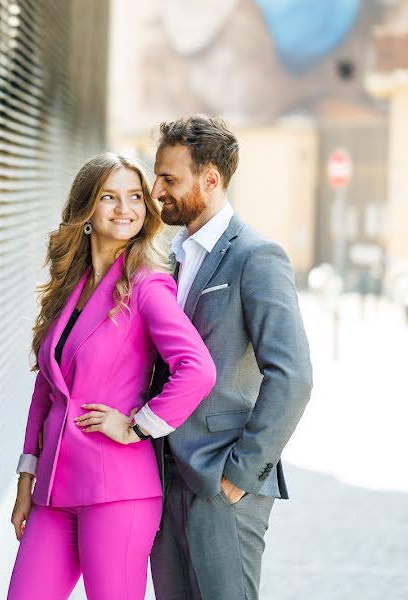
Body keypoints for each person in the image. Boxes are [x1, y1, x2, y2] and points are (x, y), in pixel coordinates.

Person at [7, 153, 216, 600]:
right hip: (53, 495)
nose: (125, 208)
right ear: (87, 210)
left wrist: (138, 425)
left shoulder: (147, 285)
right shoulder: (70, 286)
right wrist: (27, 479)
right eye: (109, 197)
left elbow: (197, 369)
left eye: (135, 197)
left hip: (118, 493)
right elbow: (46, 389)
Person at [147, 115, 313, 600]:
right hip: (163, 478)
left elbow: (293, 376)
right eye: (158, 176)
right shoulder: (168, 258)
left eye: (170, 179)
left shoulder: (257, 257)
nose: (157, 190)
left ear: (211, 180)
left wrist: (239, 476)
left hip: (222, 486)